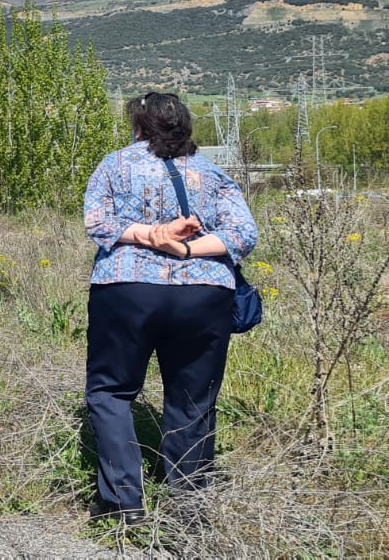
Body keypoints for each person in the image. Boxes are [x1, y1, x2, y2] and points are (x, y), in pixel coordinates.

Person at [82, 92, 257, 524]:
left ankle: (126, 504)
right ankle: (189, 508)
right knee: (193, 400)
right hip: (204, 294)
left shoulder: (115, 164)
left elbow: (97, 222)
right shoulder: (211, 172)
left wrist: (151, 236)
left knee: (112, 392)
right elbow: (243, 234)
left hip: (126, 290)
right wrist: (185, 249)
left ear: (138, 125)